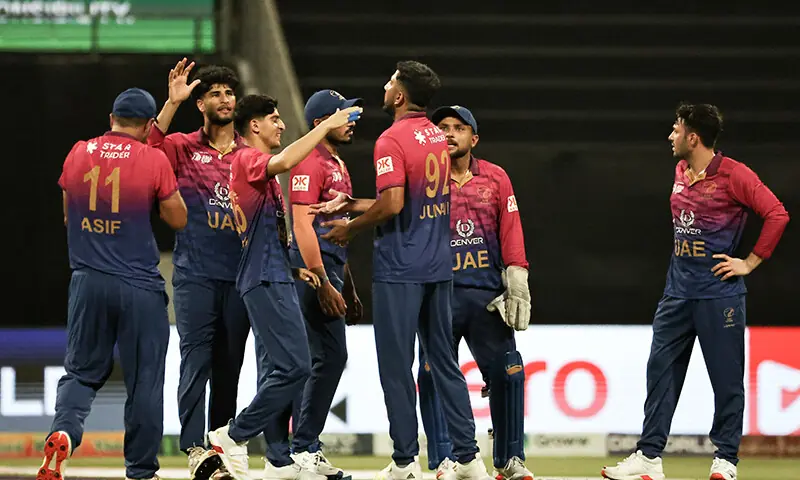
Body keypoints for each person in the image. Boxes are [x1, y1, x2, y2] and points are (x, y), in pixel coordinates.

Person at [314, 60, 490, 480]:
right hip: (438, 266)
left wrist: (350, 228)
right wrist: (353, 202)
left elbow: (392, 204)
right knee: (444, 362)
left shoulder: (390, 139)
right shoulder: (437, 136)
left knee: (395, 367)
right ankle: (467, 458)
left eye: (391, 80)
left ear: (399, 96)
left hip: (400, 267)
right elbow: (411, 197)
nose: (385, 84)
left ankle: (406, 461)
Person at [601, 103, 790, 480]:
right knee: (660, 374)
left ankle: (725, 460)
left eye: (675, 129)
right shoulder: (680, 171)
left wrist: (749, 262)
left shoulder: (735, 175)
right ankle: (649, 458)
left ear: (693, 137)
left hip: (719, 296)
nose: (670, 136)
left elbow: (777, 214)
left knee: (726, 379)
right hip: (676, 294)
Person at [205, 94, 361, 480]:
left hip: (275, 274)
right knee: (294, 367)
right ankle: (233, 434)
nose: (281, 125)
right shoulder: (247, 159)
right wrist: (325, 125)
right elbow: (287, 160)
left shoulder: (261, 176)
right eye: (274, 119)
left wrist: (296, 271)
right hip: (262, 278)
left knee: (292, 366)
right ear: (254, 125)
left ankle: (275, 456)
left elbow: (264, 235)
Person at [39, 88, 188, 480]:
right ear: (147, 126)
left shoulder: (78, 152)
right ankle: (140, 470)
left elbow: (69, 217)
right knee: (144, 382)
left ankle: (64, 432)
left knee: (80, 373)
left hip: (87, 281)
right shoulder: (153, 158)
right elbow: (178, 219)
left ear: (111, 119)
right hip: (138, 285)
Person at [147, 58, 253, 477]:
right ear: (201, 103)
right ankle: (195, 450)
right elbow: (146, 154)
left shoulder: (250, 154)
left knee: (230, 367)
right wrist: (170, 103)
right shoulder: (181, 147)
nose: (224, 99)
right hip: (194, 274)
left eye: (229, 92)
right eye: (214, 93)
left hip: (240, 276)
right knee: (195, 362)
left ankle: (220, 447)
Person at [416, 105, 534, 480]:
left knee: (510, 373)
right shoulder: (423, 179)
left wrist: (517, 279)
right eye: (442, 128)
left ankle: (510, 459)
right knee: (433, 374)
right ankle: (445, 459)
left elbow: (511, 230)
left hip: (485, 297)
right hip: (438, 295)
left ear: (474, 138)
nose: (449, 134)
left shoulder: (496, 178)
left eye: (459, 128)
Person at [286, 89, 364, 478]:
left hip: (330, 268)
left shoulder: (336, 163)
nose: (351, 121)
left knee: (320, 359)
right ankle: (301, 449)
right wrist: (321, 282)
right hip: (311, 269)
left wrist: (346, 284)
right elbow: (301, 224)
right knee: (327, 358)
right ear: (320, 123)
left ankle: (301, 450)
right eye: (342, 115)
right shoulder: (309, 162)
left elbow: (336, 232)